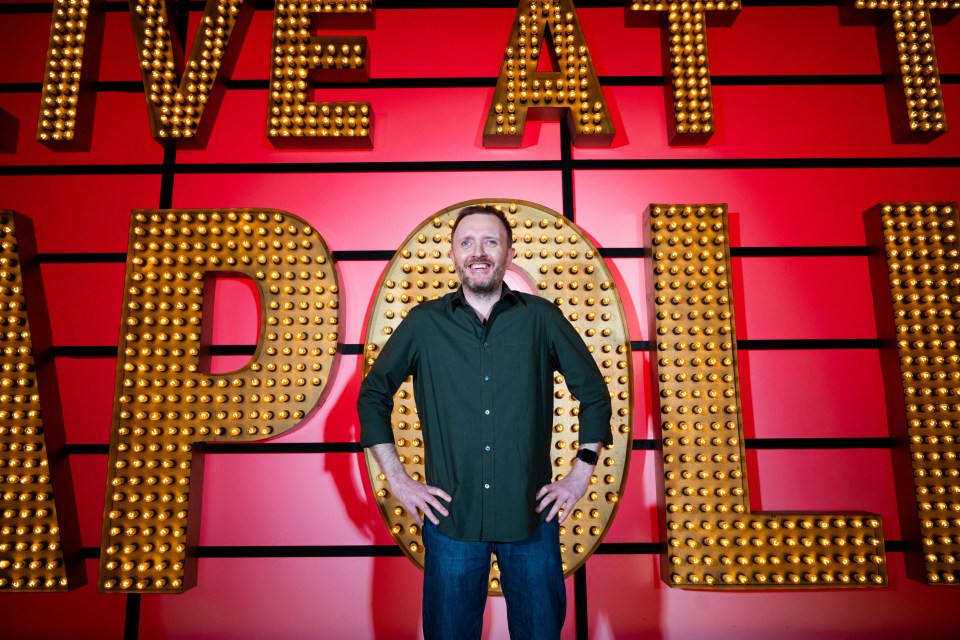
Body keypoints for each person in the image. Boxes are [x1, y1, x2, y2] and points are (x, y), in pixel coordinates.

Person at [358, 205, 612, 640]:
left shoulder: (541, 318)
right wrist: (397, 480)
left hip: (532, 523)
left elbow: (595, 395)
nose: (479, 252)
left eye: (491, 242)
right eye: (467, 242)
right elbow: (372, 396)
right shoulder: (424, 323)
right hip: (452, 525)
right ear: (453, 255)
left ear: (509, 253)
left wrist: (580, 475)